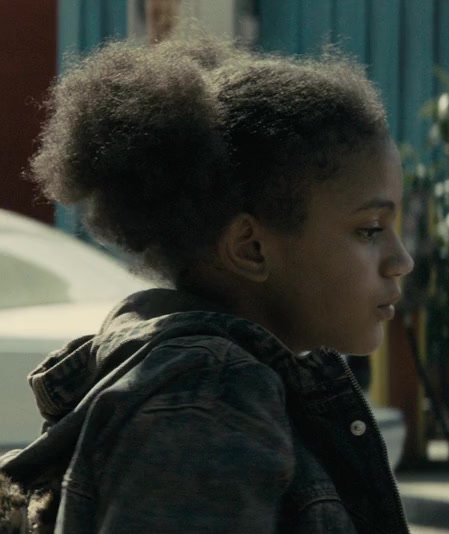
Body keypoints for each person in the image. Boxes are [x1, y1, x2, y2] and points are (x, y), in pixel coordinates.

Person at [0, 37, 413, 532]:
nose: (401, 261)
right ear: (251, 248)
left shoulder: (203, 383)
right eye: (370, 230)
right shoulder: (211, 399)